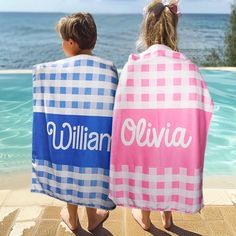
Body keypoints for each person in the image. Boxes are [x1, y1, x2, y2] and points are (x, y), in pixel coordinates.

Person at [109, 0, 213, 231]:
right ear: (173, 28)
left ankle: (145, 218)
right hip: (171, 137)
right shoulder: (187, 66)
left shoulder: (134, 65)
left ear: (146, 29)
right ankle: (168, 218)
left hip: (144, 135)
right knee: (167, 159)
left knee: (147, 161)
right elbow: (206, 104)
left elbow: (121, 105)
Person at [32, 13, 118, 232]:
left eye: (62, 40)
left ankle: (72, 218)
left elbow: (43, 76)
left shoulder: (53, 72)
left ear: (71, 42)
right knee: (86, 161)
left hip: (67, 140)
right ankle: (93, 217)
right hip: (94, 141)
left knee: (69, 159)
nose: (61, 44)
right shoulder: (107, 70)